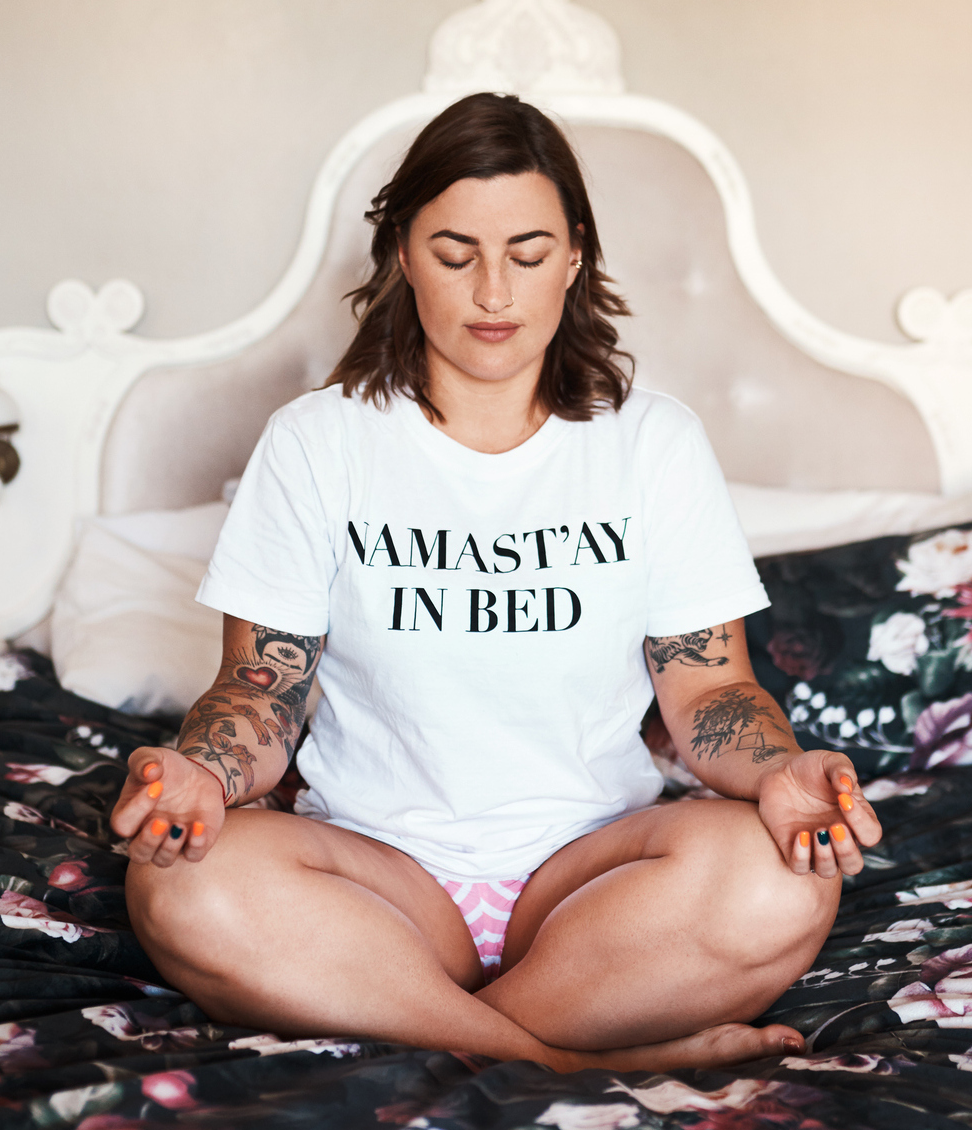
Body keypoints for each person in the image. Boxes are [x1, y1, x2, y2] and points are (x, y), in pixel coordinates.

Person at [109, 93, 882, 1073]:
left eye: (525, 254)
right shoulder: (318, 442)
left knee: (780, 880)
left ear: (574, 257)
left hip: (594, 878)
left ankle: (423, 1026)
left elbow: (712, 689)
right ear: (400, 255)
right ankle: (582, 1059)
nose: (491, 292)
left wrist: (779, 775)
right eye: (452, 252)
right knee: (177, 886)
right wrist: (200, 775)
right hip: (381, 879)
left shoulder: (653, 443)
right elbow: (262, 687)